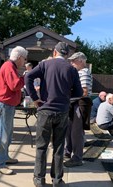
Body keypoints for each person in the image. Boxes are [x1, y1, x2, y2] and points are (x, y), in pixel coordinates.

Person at [25, 42, 83, 187]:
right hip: (62, 111)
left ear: (55, 52)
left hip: (45, 110)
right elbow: (79, 93)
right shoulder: (71, 69)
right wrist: (66, 98)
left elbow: (28, 77)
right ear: (67, 55)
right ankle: (57, 180)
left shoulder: (45, 64)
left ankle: (39, 179)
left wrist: (35, 98)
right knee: (58, 147)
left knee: (41, 146)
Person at [0, 46, 28, 175]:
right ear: (19, 57)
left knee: (6, 133)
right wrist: (25, 77)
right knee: (2, 134)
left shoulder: (9, 66)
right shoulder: (9, 67)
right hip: (4, 104)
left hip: (6, 105)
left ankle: (4, 157)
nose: (24, 62)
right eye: (24, 59)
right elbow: (15, 85)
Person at [64, 52, 93, 168]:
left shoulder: (84, 72)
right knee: (70, 130)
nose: (71, 63)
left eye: (73, 60)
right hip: (75, 103)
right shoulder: (79, 72)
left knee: (76, 132)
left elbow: (84, 91)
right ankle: (68, 151)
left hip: (80, 104)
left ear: (81, 61)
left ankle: (77, 158)